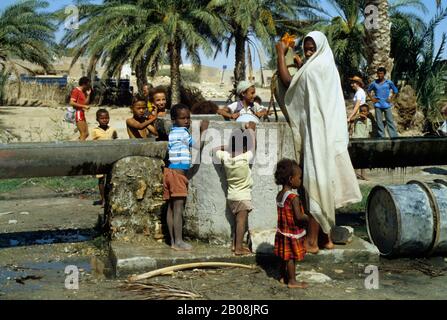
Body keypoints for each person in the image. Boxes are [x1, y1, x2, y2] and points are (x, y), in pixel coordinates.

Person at [276, 31, 362, 254]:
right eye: (306, 47)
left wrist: (280, 54)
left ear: (321, 47)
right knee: (324, 184)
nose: (308, 51)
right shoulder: (327, 66)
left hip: (318, 137)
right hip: (327, 135)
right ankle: (326, 239)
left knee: (315, 185)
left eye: (311, 48)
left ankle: (312, 242)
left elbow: (288, 82)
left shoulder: (314, 68)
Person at [164, 104, 209, 251]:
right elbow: (197, 146)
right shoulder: (183, 133)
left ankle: (172, 241)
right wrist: (203, 130)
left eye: (188, 118)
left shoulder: (173, 131)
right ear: (174, 119)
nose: (187, 121)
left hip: (170, 171)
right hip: (178, 174)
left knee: (171, 208)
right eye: (183, 118)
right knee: (178, 209)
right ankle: (179, 241)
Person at [215, 122, 256, 256]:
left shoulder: (226, 157)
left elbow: (214, 150)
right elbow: (253, 146)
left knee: (236, 221)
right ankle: (239, 247)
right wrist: (251, 129)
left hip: (231, 196)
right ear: (244, 147)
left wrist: (227, 147)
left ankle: (234, 245)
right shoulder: (244, 158)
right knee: (241, 222)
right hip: (243, 196)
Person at [274, 159, 309, 289]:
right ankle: (293, 281)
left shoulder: (279, 195)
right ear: (290, 179)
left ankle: (283, 276)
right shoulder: (293, 198)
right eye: (299, 178)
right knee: (291, 258)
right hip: (292, 233)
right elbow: (299, 217)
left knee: (284, 256)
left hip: (282, 232)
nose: (300, 181)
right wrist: (309, 218)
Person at [92, 109, 118, 207]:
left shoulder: (112, 130)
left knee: (111, 178)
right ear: (97, 119)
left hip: (111, 156)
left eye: (106, 118)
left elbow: (116, 141)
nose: (104, 120)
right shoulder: (95, 131)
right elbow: (93, 145)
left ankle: (110, 198)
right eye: (102, 118)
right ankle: (103, 199)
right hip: (100, 157)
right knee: (101, 179)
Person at [367, 67, 399, 138]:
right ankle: (382, 137)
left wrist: (391, 99)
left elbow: (395, 91)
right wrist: (372, 99)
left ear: (384, 74)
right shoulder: (374, 83)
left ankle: (394, 137)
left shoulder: (389, 82)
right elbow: (368, 91)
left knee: (390, 121)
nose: (379, 75)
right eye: (378, 73)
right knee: (379, 122)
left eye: (381, 73)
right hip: (378, 105)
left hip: (387, 105)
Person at [350, 104, 373, 180]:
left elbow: (369, 131)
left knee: (363, 158)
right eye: (361, 111)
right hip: (356, 140)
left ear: (368, 113)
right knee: (356, 158)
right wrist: (357, 115)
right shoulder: (356, 120)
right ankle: (355, 173)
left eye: (364, 111)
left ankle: (363, 174)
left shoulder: (369, 121)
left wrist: (365, 120)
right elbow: (350, 120)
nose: (363, 113)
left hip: (364, 141)